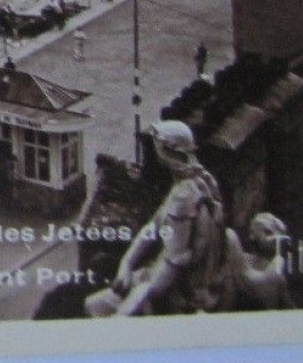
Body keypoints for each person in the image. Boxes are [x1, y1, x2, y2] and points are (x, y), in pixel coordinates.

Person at [86, 120, 229, 317]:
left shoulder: (184, 196)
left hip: (183, 294)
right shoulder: (198, 180)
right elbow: (153, 227)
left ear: (165, 151)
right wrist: (126, 263)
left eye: (155, 146)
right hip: (179, 280)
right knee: (95, 304)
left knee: (96, 307)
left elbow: (173, 263)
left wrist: (137, 299)